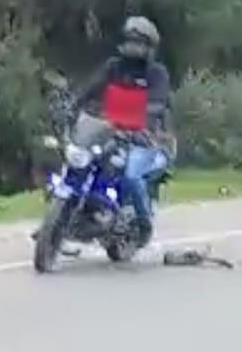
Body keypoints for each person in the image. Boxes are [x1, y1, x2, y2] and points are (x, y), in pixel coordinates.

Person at [73, 16, 176, 247]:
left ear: (149, 46)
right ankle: (73, 213)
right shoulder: (114, 67)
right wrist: (74, 102)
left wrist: (142, 117)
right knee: (82, 159)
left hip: (149, 138)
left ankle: (143, 223)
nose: (132, 46)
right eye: (129, 41)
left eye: (138, 42)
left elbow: (158, 103)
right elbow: (92, 88)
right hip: (112, 130)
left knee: (131, 176)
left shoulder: (157, 73)